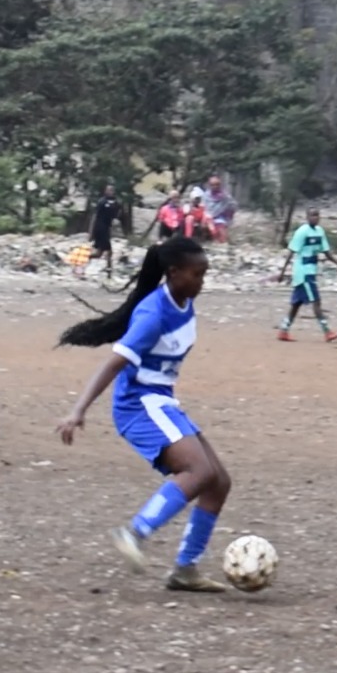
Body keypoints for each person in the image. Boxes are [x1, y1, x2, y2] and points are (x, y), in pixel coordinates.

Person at [55, 236, 231, 592]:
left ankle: (186, 570)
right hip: (139, 405)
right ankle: (134, 533)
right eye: (197, 274)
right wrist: (78, 410)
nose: (202, 281)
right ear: (173, 273)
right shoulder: (154, 314)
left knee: (218, 482)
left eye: (205, 274)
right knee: (198, 471)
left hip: (161, 401)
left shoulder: (183, 301)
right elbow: (114, 362)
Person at [275, 207, 337, 342]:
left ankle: (284, 330)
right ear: (307, 217)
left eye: (317, 215)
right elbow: (291, 252)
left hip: (311, 270)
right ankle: (327, 331)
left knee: (297, 303)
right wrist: (282, 272)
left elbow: (326, 251)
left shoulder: (319, 231)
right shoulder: (302, 232)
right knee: (316, 301)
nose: (315, 218)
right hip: (303, 272)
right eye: (312, 215)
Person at [89, 184, 122, 278]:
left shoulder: (116, 202)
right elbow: (95, 217)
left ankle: (84, 260)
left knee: (99, 253)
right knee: (109, 251)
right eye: (109, 190)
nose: (110, 192)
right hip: (100, 228)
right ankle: (109, 272)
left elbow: (117, 214)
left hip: (107, 228)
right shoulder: (101, 202)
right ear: (105, 191)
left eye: (112, 190)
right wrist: (91, 232)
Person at [201, 175, 235, 243]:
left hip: (220, 218)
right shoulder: (206, 195)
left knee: (222, 237)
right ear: (209, 185)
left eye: (217, 184)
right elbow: (203, 207)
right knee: (204, 226)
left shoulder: (225, 196)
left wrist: (228, 209)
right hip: (207, 218)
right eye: (212, 185)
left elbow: (233, 205)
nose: (215, 186)